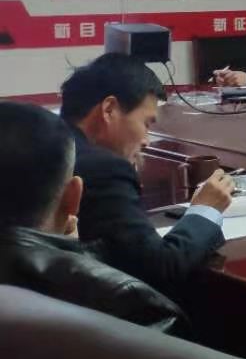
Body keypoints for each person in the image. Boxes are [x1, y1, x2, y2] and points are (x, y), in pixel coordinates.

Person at [0, 102, 185, 333]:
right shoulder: (134, 305)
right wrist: (71, 257)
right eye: (146, 122)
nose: (146, 139)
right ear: (73, 197)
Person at [61, 53, 233, 293]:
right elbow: (161, 268)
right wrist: (205, 210)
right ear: (109, 110)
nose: (146, 140)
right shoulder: (103, 169)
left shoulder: (50, 143)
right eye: (146, 123)